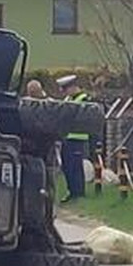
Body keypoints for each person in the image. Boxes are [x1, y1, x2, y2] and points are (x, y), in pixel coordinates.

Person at [56, 74, 90, 203]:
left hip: (77, 138)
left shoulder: (83, 99)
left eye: (66, 89)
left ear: (72, 87)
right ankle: (71, 191)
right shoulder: (68, 99)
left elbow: (74, 117)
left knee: (76, 167)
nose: (65, 92)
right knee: (67, 166)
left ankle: (78, 193)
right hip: (67, 137)